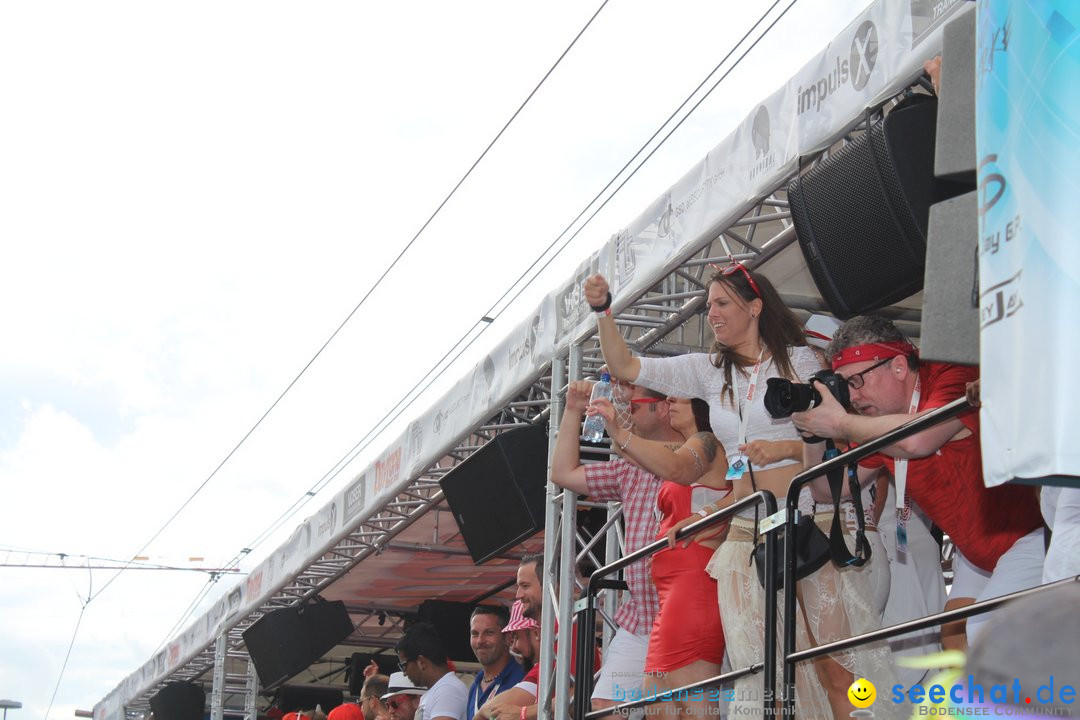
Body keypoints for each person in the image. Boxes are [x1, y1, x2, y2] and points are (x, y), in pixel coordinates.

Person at [583, 267, 898, 718]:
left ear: (755, 306)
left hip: (807, 522)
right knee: (764, 681)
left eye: (722, 303)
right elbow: (625, 366)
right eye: (708, 304)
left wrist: (783, 448)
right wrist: (603, 311)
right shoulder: (708, 371)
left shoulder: (801, 362)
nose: (711, 313)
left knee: (835, 669)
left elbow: (835, 443)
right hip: (748, 538)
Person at [790, 315, 1045, 647]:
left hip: (1034, 534)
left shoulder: (951, 373)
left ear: (898, 367)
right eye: (844, 386)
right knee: (954, 641)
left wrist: (840, 425)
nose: (852, 398)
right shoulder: (877, 423)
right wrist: (811, 434)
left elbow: (917, 440)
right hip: (978, 550)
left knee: (987, 635)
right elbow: (825, 490)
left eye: (856, 381)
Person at [590, 395, 730, 719]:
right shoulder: (684, 448)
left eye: (679, 397)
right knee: (659, 708)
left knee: (692, 703)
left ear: (700, 404)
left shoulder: (707, 442)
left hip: (694, 587)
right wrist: (617, 429)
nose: (670, 401)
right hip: (669, 597)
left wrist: (620, 432)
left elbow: (679, 467)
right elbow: (648, 455)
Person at [551, 378, 682, 714]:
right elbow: (563, 473)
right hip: (641, 619)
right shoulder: (630, 470)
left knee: (685, 710)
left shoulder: (698, 455)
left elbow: (672, 459)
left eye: (634, 403)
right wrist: (572, 411)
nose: (626, 409)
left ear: (666, 405)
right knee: (606, 707)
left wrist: (616, 429)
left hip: (687, 615)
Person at [477, 601, 542, 720]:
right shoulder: (475, 685)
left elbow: (483, 713)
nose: (514, 646)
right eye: (474, 634)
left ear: (536, 633)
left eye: (516, 637)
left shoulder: (542, 671)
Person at [396, 622, 469, 720]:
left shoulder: (448, 690)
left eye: (404, 665)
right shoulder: (438, 690)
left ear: (421, 662)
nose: (404, 673)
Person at [466, 605, 524, 720]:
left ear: (508, 638)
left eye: (489, 633)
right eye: (475, 634)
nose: (480, 641)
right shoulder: (475, 686)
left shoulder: (523, 677)